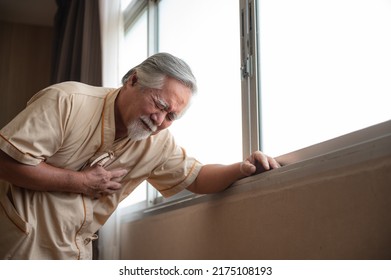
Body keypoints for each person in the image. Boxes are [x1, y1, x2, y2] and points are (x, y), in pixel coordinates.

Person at [0, 52, 280, 259]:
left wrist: (242, 168)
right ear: (133, 80)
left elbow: (196, 178)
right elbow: (4, 163)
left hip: (73, 257)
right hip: (17, 249)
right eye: (159, 105)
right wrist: (82, 182)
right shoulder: (66, 101)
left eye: (171, 116)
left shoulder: (158, 143)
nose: (160, 121)